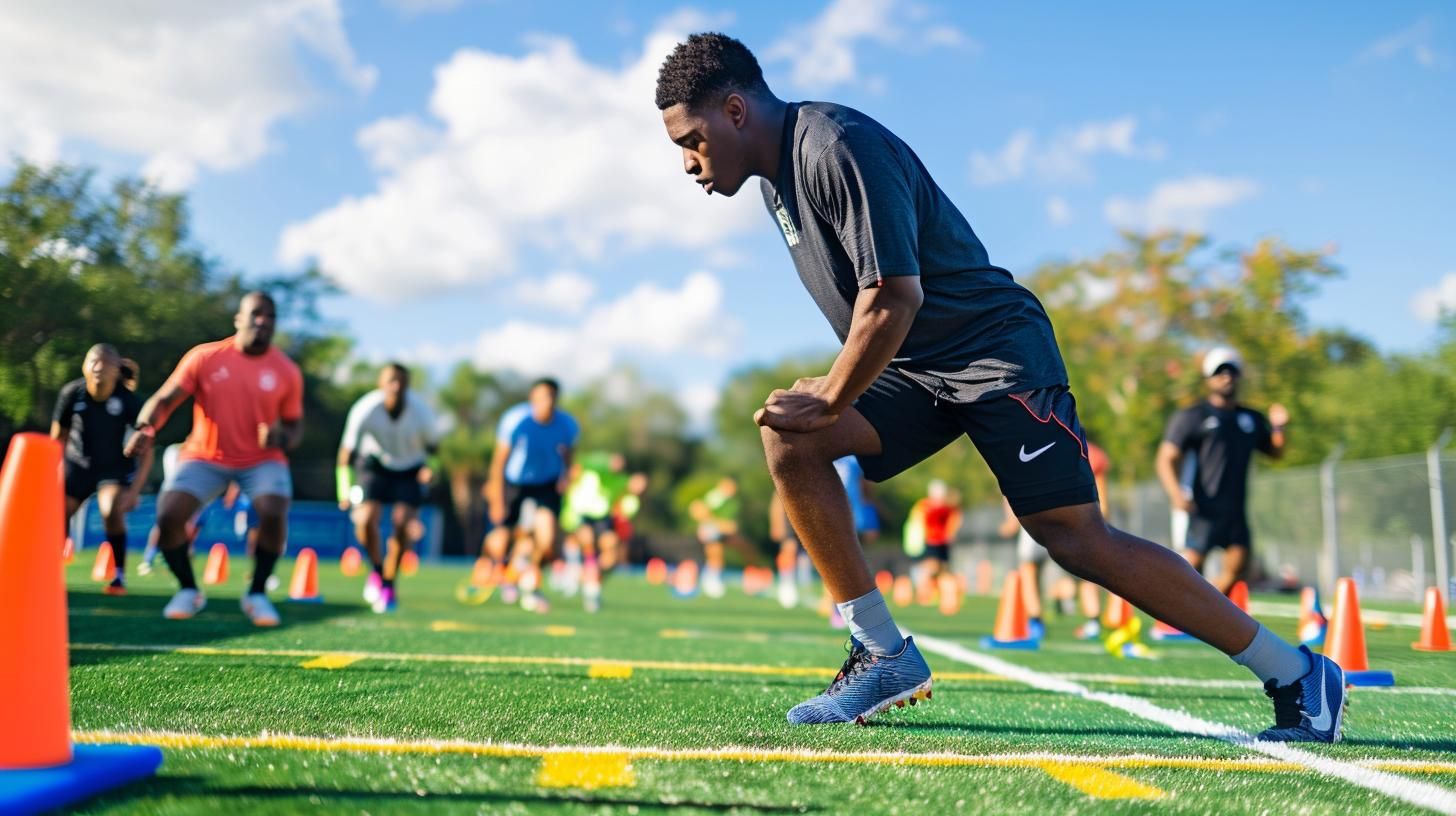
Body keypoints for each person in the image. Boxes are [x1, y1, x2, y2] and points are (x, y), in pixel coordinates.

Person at [655, 33, 1342, 741]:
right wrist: (830, 396)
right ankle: (883, 654)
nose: (687, 162)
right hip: (919, 367)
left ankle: (1295, 672)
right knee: (791, 440)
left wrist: (833, 393)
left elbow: (893, 295)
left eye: (692, 140)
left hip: (994, 357)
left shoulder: (832, 145)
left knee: (1075, 540)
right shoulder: (778, 183)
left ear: (735, 110)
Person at [125, 291, 303, 626]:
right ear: (238, 319)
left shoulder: (286, 371)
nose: (263, 321)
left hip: (262, 459)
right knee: (168, 515)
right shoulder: (205, 357)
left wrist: (280, 437)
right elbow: (164, 399)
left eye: (271, 316)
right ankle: (189, 590)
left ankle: (257, 593)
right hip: (205, 455)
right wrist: (146, 428)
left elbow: (295, 427)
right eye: (256, 314)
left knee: (274, 511)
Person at [1156, 347, 1287, 595]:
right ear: (1208, 378)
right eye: (1219, 371)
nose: (1226, 376)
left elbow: (1275, 453)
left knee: (1239, 567)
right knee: (1192, 566)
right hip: (1202, 508)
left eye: (1232, 370)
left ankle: (1207, 610)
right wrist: (1175, 494)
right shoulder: (1193, 416)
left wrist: (1279, 428)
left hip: (1235, 509)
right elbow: (1166, 458)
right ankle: (1174, 614)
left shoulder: (1251, 418)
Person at [338, 363, 439, 614]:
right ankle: (377, 570)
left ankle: (389, 582)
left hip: (410, 468)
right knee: (365, 521)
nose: (396, 385)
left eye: (401, 381)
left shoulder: (422, 411)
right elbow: (346, 453)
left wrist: (430, 469)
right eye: (391, 380)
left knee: (403, 523)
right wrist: (343, 489)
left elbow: (434, 450)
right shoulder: (365, 409)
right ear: (380, 384)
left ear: (407, 385)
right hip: (374, 465)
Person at [51, 345, 152, 594]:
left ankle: (118, 575)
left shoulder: (129, 401)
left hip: (113, 469)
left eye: (106, 362)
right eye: (93, 361)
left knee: (110, 510)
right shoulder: (71, 393)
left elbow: (148, 450)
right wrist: (52, 476)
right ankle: (51, 571)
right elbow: (56, 439)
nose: (98, 367)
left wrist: (135, 490)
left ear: (117, 370)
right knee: (60, 511)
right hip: (77, 465)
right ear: (84, 366)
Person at [482, 377, 578, 612]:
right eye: (542, 397)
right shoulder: (516, 421)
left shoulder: (567, 425)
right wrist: (497, 498)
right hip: (515, 482)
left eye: (551, 397)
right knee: (503, 538)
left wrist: (566, 476)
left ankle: (529, 583)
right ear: (532, 399)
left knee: (547, 539)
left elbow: (569, 455)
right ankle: (499, 568)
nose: (547, 402)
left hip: (546, 483)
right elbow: (499, 462)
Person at [1003, 441, 1111, 640]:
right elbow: (1101, 496)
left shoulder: (1025, 439)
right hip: (1072, 519)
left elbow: (1011, 481)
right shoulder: (1089, 450)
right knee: (1085, 573)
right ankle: (1092, 622)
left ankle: (1036, 622)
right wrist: (1098, 522)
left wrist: (1011, 519)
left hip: (1037, 514)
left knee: (1030, 568)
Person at [688, 476, 744, 599]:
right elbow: (697, 509)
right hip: (710, 528)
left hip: (720, 530)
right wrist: (717, 523)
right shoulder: (716, 497)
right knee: (715, 548)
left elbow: (732, 525)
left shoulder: (733, 503)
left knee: (734, 547)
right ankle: (711, 579)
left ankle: (710, 576)